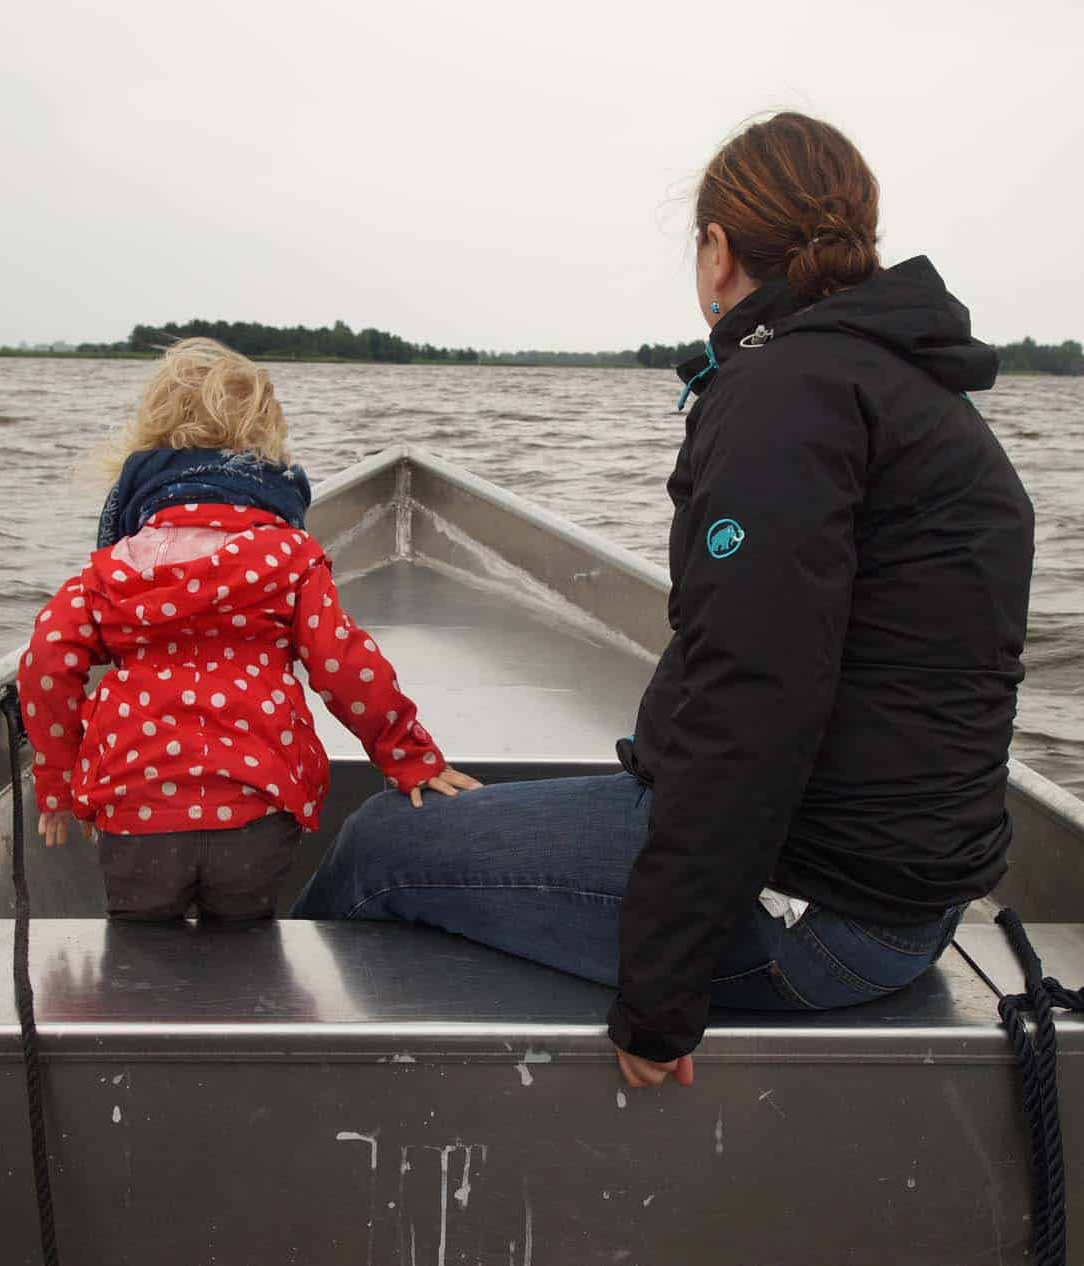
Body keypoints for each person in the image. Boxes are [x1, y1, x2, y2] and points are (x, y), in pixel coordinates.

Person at [292, 112, 1035, 1091]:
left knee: (379, 844)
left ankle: (288, 1076)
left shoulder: (787, 393)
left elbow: (757, 698)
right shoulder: (918, 390)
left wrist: (661, 994)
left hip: (807, 915)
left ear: (718, 252)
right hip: (903, 905)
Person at [17, 337, 478, 921]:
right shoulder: (289, 556)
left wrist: (58, 778)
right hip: (257, 808)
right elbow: (342, 664)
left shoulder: (111, 569)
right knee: (243, 945)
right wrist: (411, 758)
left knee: (140, 952)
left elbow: (45, 662)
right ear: (265, 452)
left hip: (135, 813)